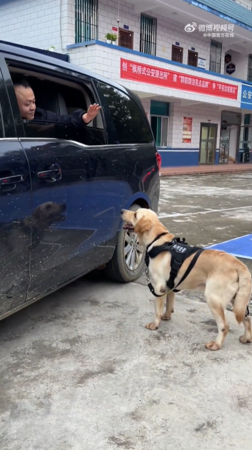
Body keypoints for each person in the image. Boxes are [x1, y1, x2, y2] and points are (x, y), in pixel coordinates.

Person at [14, 79, 101, 127]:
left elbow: (62, 119)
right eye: (27, 104)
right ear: (13, 104)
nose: (33, 107)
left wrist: (85, 117)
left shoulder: (40, 115)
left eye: (34, 102)